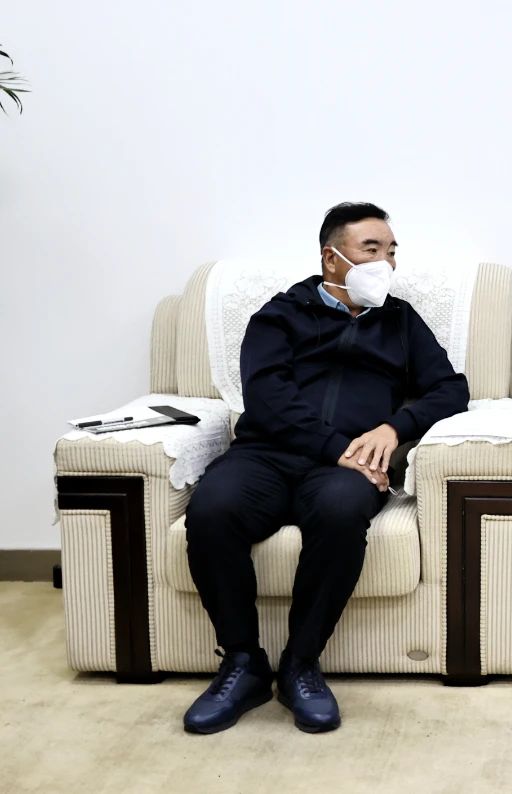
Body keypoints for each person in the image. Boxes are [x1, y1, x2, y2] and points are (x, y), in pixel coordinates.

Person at [181, 202, 469, 734]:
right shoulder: (279, 315)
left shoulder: (400, 321)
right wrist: (337, 446)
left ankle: (301, 664)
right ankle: (243, 664)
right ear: (331, 258)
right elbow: (267, 398)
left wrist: (394, 428)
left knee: (340, 511)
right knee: (212, 510)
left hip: (349, 468)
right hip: (267, 453)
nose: (385, 262)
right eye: (371, 249)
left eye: (391, 251)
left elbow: (451, 389)